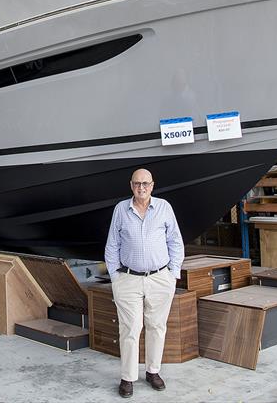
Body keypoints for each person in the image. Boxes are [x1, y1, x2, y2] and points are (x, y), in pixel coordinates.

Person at [104, 168, 184, 398]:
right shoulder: (121, 209)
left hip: (160, 278)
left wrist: (172, 274)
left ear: (152, 185)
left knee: (157, 326)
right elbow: (112, 245)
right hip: (128, 279)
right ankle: (128, 377)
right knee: (130, 328)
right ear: (131, 185)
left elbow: (175, 242)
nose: (141, 188)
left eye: (145, 184)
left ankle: (153, 371)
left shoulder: (164, 208)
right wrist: (115, 277)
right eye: (137, 183)